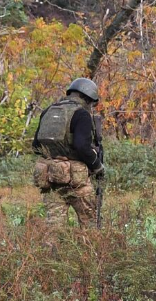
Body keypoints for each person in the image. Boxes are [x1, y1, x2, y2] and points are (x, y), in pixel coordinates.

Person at [31, 78, 105, 226]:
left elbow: (36, 146)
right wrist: (97, 166)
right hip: (77, 182)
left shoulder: (48, 111)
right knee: (89, 226)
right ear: (88, 99)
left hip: (52, 180)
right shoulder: (81, 114)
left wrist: (56, 158)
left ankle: (52, 250)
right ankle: (90, 250)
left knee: (53, 228)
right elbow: (82, 146)